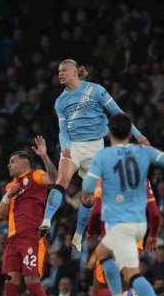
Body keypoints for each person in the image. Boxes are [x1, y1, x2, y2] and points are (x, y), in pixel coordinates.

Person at [81, 113, 164, 296]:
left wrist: (92, 187)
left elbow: (87, 187)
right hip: (139, 225)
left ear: (109, 132)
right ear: (130, 133)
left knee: (121, 269)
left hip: (119, 225)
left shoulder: (104, 156)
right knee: (113, 261)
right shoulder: (143, 152)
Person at [39, 59, 149, 259]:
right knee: (62, 180)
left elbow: (119, 114)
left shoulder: (96, 90)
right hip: (73, 147)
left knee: (88, 198)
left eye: (64, 70)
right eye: (58, 71)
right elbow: (63, 130)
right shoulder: (60, 101)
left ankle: (78, 235)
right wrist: (65, 147)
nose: (60, 74)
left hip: (95, 148)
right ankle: (46, 221)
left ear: (75, 71)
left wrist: (138, 135)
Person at [0, 137, 59, 296]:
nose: (8, 165)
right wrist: (8, 196)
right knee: (10, 284)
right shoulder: (11, 186)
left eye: (12, 162)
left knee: (32, 282)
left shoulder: (35, 175)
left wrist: (44, 155)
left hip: (31, 236)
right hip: (12, 241)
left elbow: (54, 178)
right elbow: (1, 213)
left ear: (24, 163)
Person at [86, 177, 160, 296]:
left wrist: (90, 232)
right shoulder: (143, 179)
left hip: (112, 241)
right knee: (127, 289)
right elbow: (155, 214)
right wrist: (153, 235)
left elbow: (96, 211)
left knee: (98, 292)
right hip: (135, 243)